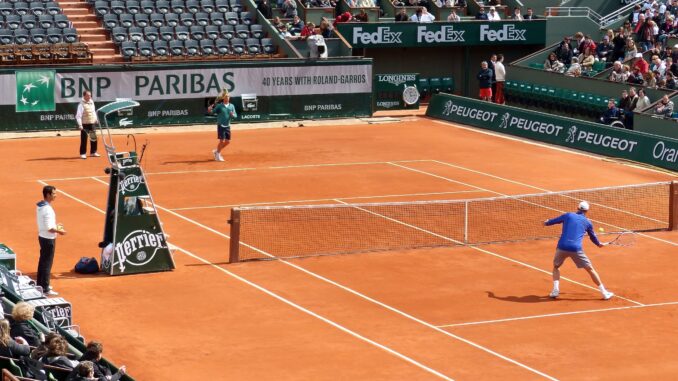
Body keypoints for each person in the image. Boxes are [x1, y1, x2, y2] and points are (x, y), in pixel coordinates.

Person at [544, 201, 614, 300]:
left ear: (578, 208)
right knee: (590, 270)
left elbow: (553, 221)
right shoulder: (588, 222)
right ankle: (604, 293)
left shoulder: (568, 215)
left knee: (556, 267)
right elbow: (593, 237)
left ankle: (555, 290)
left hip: (562, 246)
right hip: (576, 249)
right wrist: (599, 244)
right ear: (587, 211)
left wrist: (546, 222)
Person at [37, 185, 66, 297]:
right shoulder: (48, 209)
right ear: (48, 195)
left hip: (42, 236)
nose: (55, 195)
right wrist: (60, 231)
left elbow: (46, 224)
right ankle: (45, 287)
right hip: (48, 239)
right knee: (47, 263)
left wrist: (55, 226)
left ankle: (40, 284)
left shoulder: (40, 205)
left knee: (43, 261)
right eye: (54, 194)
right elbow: (49, 228)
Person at [207, 90, 237, 162]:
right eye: (226, 96)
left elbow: (235, 115)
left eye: (228, 96)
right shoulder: (219, 106)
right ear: (223, 98)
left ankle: (216, 151)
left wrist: (233, 115)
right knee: (221, 141)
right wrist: (209, 110)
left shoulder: (231, 106)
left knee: (227, 142)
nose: (228, 98)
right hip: (221, 125)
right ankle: (218, 155)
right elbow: (212, 112)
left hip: (227, 125)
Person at [75, 90, 100, 160]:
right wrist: (80, 125)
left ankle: (93, 152)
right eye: (88, 95)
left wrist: (96, 119)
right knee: (84, 139)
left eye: (90, 95)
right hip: (84, 124)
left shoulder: (92, 102)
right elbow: (78, 116)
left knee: (94, 138)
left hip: (92, 123)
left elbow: (93, 112)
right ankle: (83, 153)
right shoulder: (81, 104)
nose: (89, 96)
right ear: (84, 96)